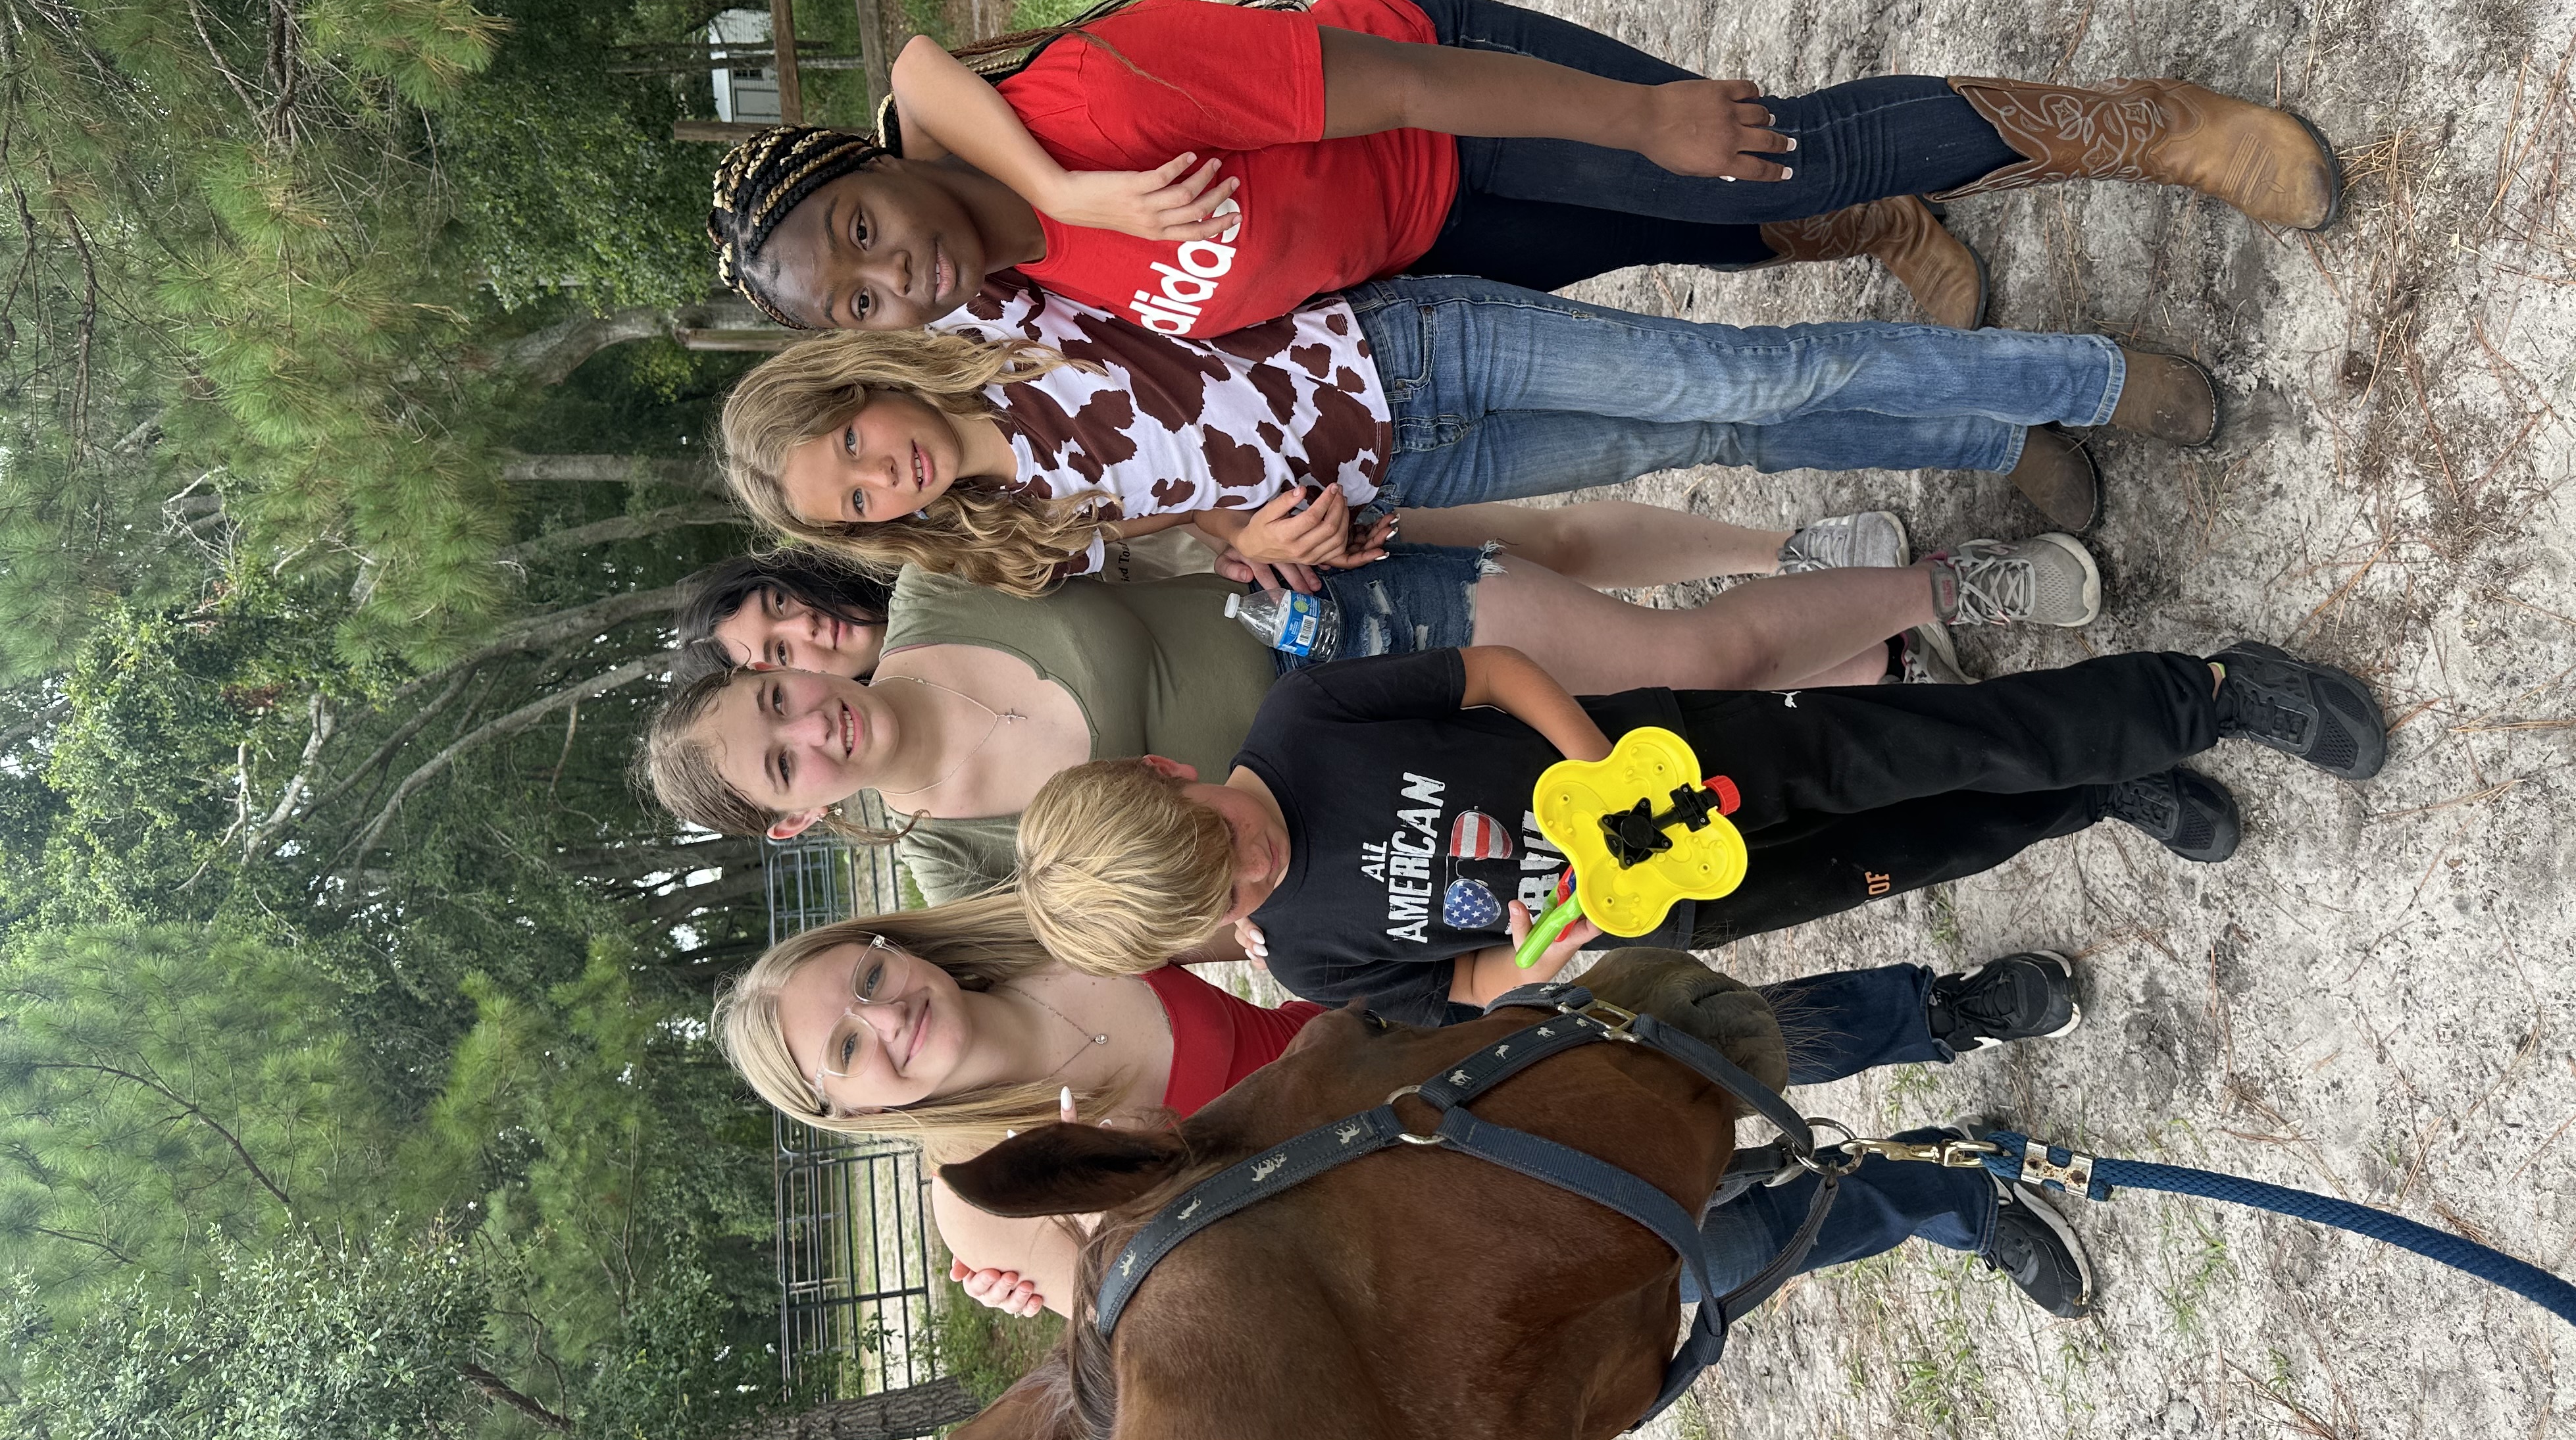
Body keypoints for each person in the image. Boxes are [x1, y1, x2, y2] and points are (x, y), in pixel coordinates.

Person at [716, 908, 2109, 1323]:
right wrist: (1089, 1225)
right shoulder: (979, 1192)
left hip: (1403, 1064)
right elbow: (1127, 1329)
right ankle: (1950, 1201)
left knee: (1688, 1044)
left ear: (888, 945)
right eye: (851, 1049)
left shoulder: (1037, 931)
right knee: (1695, 1259)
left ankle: (1943, 1012)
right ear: (847, 1107)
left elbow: (1237, 901)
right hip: (1377, 1238)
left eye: (867, 981)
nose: (886, 1018)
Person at [703, 0, 2340, 337]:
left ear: (877, 161)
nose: (886, 274)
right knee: (1706, 248)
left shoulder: (1093, 105)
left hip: (1452, 115)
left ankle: (2152, 123)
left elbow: (1397, 72)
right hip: (1427, 255)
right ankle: (1900, 228)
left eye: (855, 224)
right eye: (850, 300)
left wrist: (1637, 114)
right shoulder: (1018, 290)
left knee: (1749, 160)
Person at [649, 515, 2102, 906]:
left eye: (778, 692)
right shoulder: (953, 863)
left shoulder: (931, 591)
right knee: (1691, 740)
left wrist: (1248, 525)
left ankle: (1937, 586)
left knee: (1693, 660)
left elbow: (1123, 515)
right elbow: (1158, 910)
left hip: (1356, 634)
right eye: (781, 755)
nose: (810, 721)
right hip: (1376, 815)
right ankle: (1877, 658)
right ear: (793, 815)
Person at [1010, 639, 2390, 1023]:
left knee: (1938, 744)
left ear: (1166, 765)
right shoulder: (1307, 961)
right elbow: (1461, 985)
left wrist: (1595, 766)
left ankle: (2202, 696)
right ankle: (2103, 790)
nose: (1251, 869)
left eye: (1220, 838)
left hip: (1695, 759)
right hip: (1684, 904)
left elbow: (1492, 674)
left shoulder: (1306, 720)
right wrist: (1537, 960)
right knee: (1932, 843)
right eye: (1222, 898)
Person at [715, 282, 2217, 577]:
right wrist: (1257, 543)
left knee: (1742, 380)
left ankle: (2082, 377)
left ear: (857, 388)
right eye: (854, 507)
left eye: (849, 446)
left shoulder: (994, 324)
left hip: (1407, 349)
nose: (878, 477)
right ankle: (1986, 443)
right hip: (1411, 471)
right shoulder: (1018, 534)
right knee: (1722, 450)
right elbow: (1191, 528)